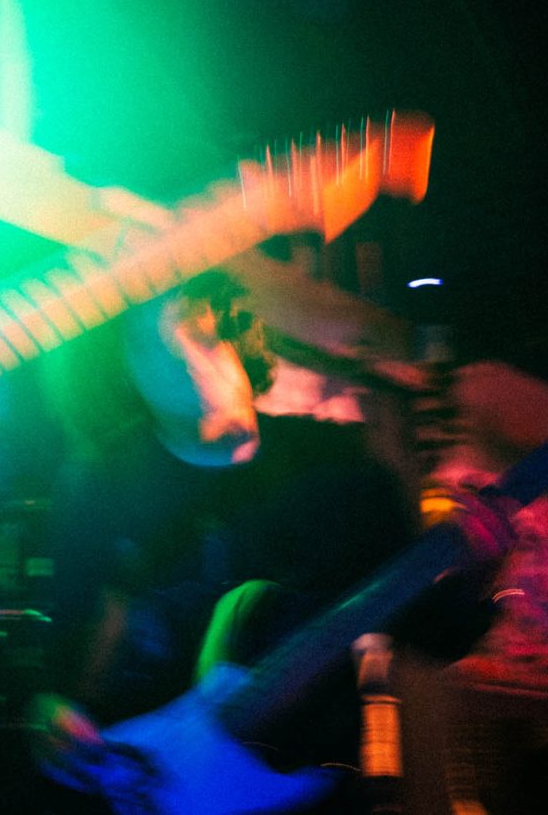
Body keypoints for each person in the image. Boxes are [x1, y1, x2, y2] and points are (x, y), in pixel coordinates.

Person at [26, 272, 423, 805]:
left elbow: (428, 630)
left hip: (311, 790)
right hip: (151, 784)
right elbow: (70, 658)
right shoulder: (96, 487)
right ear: (122, 371)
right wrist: (50, 713)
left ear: (233, 325)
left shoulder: (343, 466)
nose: (183, 353)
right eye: (149, 341)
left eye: (193, 322)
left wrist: (481, 576)